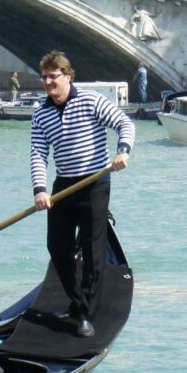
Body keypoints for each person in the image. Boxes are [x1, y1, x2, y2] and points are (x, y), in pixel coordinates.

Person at [29, 50, 134, 339]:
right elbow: (38, 154)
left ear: (67, 76)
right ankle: (77, 301)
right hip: (64, 185)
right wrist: (40, 190)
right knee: (57, 247)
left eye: (54, 76)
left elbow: (124, 124)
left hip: (95, 182)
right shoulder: (41, 113)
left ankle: (86, 312)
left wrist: (123, 151)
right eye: (45, 77)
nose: (48, 82)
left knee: (92, 250)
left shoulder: (91, 101)